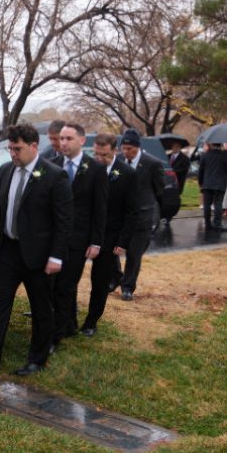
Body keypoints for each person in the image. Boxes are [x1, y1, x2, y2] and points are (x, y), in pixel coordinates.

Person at [0, 124, 72, 376]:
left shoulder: (54, 175)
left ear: (34, 146)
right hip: (7, 252)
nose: (13, 154)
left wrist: (56, 256)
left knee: (41, 308)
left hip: (39, 255)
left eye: (18, 149)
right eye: (10, 149)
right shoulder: (5, 170)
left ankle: (37, 359)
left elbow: (64, 221)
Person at [50, 123, 108, 346]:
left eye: (69, 139)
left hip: (79, 239)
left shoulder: (95, 169)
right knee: (54, 284)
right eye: (61, 139)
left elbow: (100, 208)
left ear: (82, 140)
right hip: (54, 237)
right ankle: (68, 324)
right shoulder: (52, 165)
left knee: (65, 286)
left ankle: (55, 336)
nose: (63, 143)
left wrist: (96, 241)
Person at [80, 134, 139, 337]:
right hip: (84, 232)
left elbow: (131, 211)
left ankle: (91, 321)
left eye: (104, 155)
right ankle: (68, 317)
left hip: (110, 235)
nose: (99, 158)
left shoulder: (127, 174)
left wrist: (123, 241)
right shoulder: (86, 168)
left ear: (115, 151)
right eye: (96, 153)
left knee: (99, 281)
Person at [114, 128, 163, 301]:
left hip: (142, 217)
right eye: (124, 148)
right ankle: (115, 278)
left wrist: (150, 208)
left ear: (138, 147)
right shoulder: (118, 161)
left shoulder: (152, 164)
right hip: (120, 216)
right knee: (112, 250)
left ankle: (127, 287)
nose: (126, 152)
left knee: (134, 254)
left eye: (130, 149)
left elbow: (159, 190)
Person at [197, 141, 227, 232]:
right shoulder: (225, 155)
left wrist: (200, 183)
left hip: (207, 184)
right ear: (221, 144)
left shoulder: (205, 155)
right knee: (218, 204)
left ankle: (208, 224)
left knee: (206, 204)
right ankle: (217, 224)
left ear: (212, 144)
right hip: (220, 184)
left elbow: (200, 171)